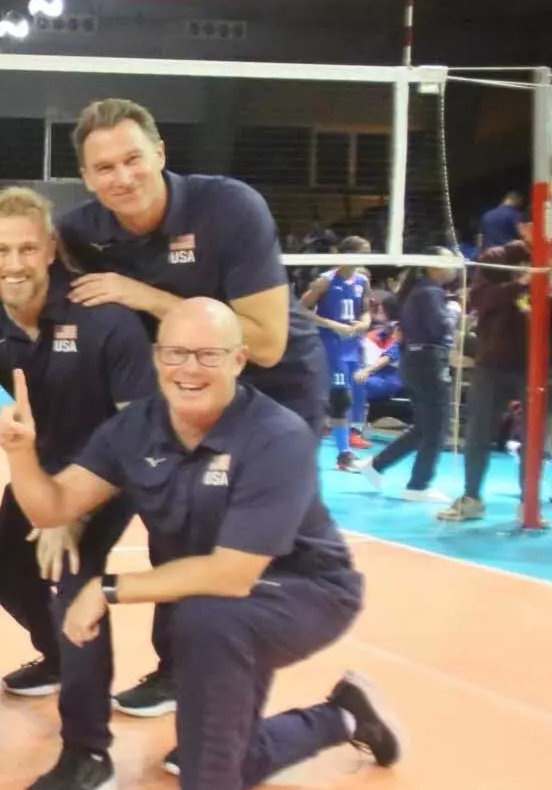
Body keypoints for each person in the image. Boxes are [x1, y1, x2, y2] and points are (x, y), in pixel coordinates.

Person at [0, 296, 402, 790]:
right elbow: (54, 505)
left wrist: (108, 589)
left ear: (239, 360)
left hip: (306, 591)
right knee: (218, 755)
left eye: (208, 354)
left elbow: (233, 574)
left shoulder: (275, 436)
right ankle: (343, 717)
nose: (190, 369)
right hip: (224, 596)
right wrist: (21, 455)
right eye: (177, 354)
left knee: (206, 621)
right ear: (157, 359)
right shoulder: (136, 427)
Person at [54, 97, 329, 718]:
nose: (121, 178)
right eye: (103, 169)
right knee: (175, 528)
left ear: (161, 154)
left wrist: (143, 294)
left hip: (274, 388)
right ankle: (179, 671)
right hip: (186, 390)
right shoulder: (80, 231)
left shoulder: (229, 207)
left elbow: (265, 340)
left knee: (242, 547)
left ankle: (235, 697)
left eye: (133, 160)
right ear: (87, 179)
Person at [0, 187, 157, 790]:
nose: (14, 263)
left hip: (112, 475)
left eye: (27, 249)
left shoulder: (102, 318)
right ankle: (61, 658)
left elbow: (137, 436)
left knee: (74, 587)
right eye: (2, 250)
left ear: (50, 250)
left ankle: (89, 753)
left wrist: (74, 510)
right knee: (0, 568)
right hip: (41, 472)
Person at [440, 239, 536, 522]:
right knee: (478, 433)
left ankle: (528, 504)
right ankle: (471, 497)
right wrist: (523, 283)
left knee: (533, 439)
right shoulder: (498, 256)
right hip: (492, 365)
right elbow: (481, 299)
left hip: (535, 367)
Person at [362, 249, 459, 502]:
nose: (453, 266)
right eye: (447, 260)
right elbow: (440, 327)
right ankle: (418, 486)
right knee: (437, 427)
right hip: (428, 362)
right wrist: (453, 315)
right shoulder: (431, 292)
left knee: (426, 427)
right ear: (432, 266)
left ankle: (377, 464)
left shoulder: (416, 290)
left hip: (414, 362)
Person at [301, 236, 375, 468]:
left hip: (353, 347)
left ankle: (344, 452)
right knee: (339, 400)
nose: (369, 257)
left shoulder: (362, 281)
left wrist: (363, 324)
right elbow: (300, 310)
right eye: (364, 252)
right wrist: (333, 325)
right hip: (331, 347)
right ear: (348, 254)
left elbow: (365, 312)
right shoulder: (326, 281)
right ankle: (344, 454)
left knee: (348, 400)